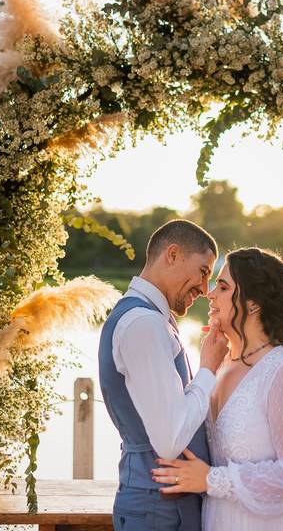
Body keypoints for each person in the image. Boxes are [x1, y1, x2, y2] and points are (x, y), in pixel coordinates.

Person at [152, 247, 283, 531]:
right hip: (221, 520)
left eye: (223, 287)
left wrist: (212, 479)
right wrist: (206, 368)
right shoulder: (219, 363)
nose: (210, 294)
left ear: (253, 304)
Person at [98, 219, 229, 531]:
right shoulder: (144, 324)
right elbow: (169, 440)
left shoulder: (151, 318)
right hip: (157, 508)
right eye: (202, 271)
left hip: (163, 503)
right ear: (172, 255)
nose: (203, 288)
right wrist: (208, 368)